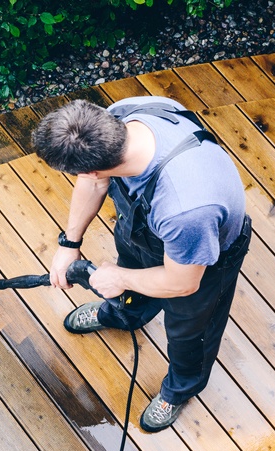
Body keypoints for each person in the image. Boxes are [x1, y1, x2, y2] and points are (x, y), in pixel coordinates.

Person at [31, 96, 251, 432]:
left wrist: (119, 277)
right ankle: (124, 315)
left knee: (190, 334)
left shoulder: (185, 208)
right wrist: (69, 243)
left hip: (200, 265)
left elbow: (182, 283)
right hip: (143, 233)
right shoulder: (121, 116)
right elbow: (94, 181)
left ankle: (180, 389)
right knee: (128, 282)